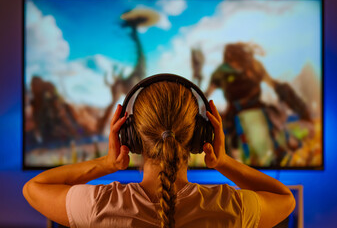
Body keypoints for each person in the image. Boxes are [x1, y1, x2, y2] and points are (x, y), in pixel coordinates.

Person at [23, 76, 295, 228]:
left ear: (130, 135)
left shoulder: (99, 207)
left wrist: (107, 163)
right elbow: (285, 199)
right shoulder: (231, 209)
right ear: (201, 136)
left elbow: (34, 188)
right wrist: (223, 162)